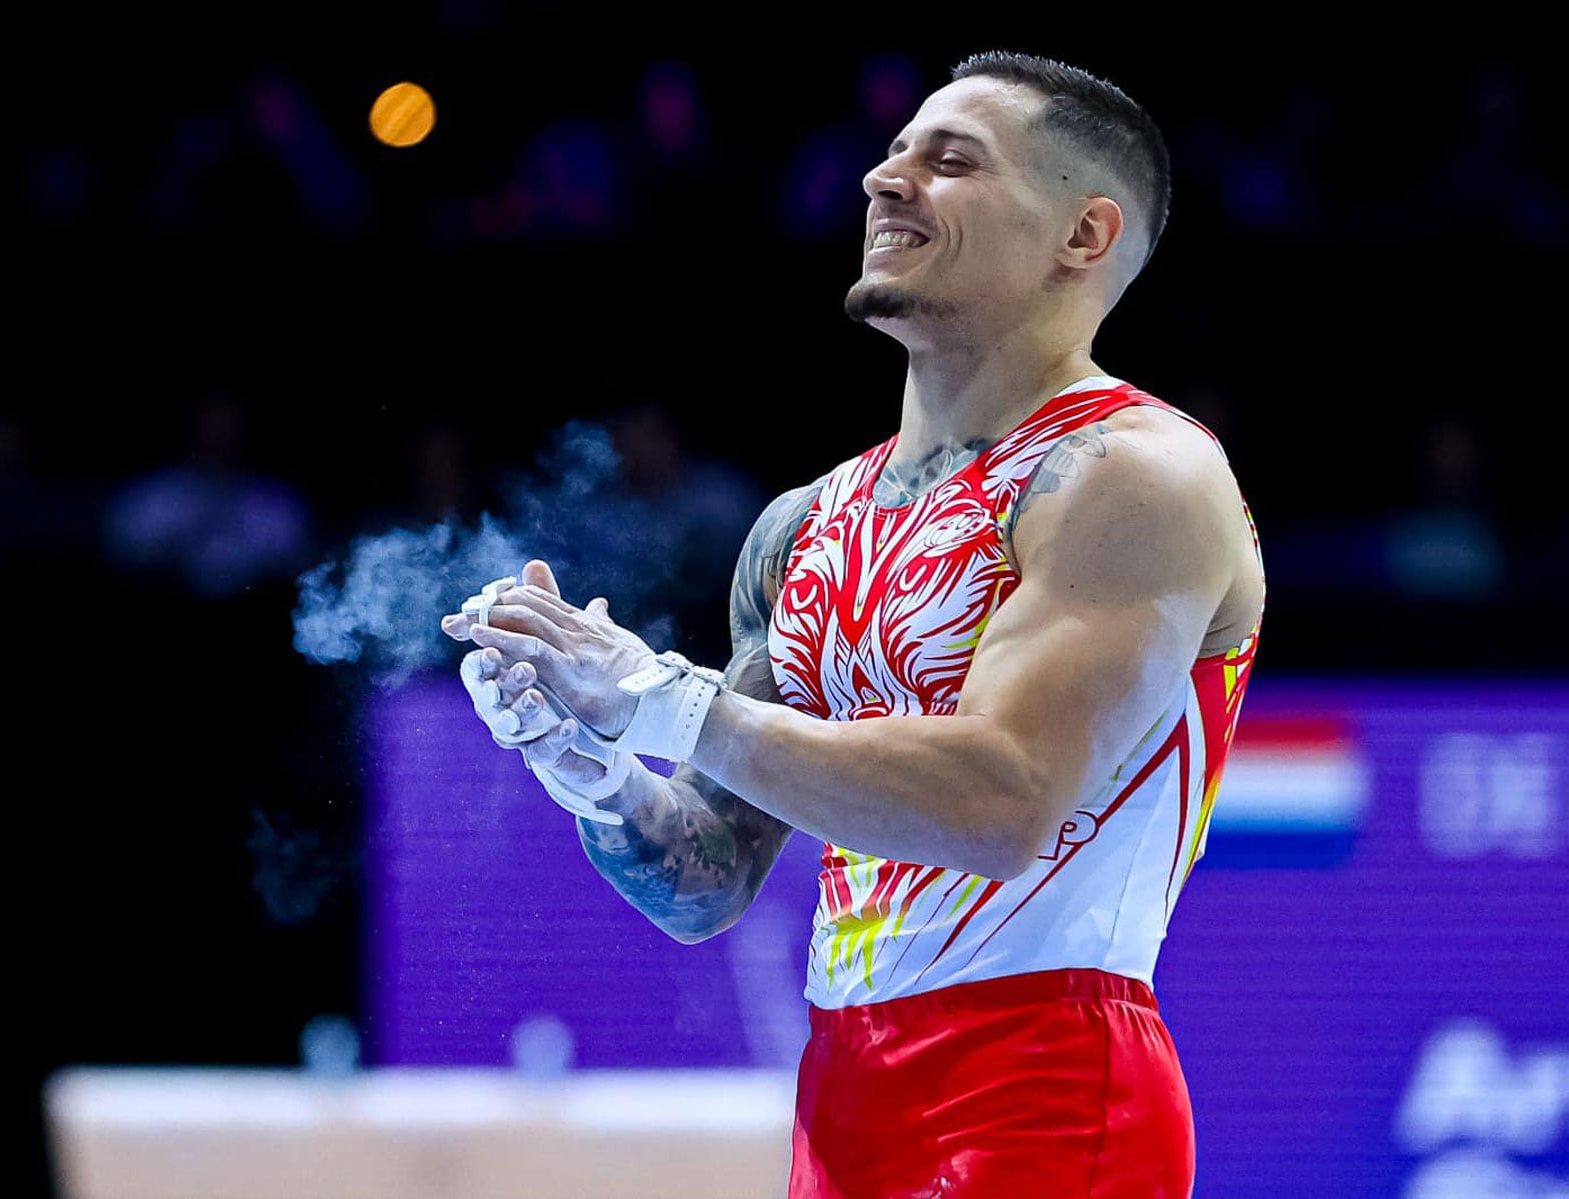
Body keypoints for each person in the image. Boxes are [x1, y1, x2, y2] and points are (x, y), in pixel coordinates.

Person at [442, 50, 1264, 1198]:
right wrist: (594, 767)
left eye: (951, 160)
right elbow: (706, 877)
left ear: (1084, 236)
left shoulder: (1139, 475)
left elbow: (1003, 799)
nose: (887, 179)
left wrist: (664, 697)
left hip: (1045, 1068)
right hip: (844, 1089)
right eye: (893, 151)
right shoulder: (804, 523)